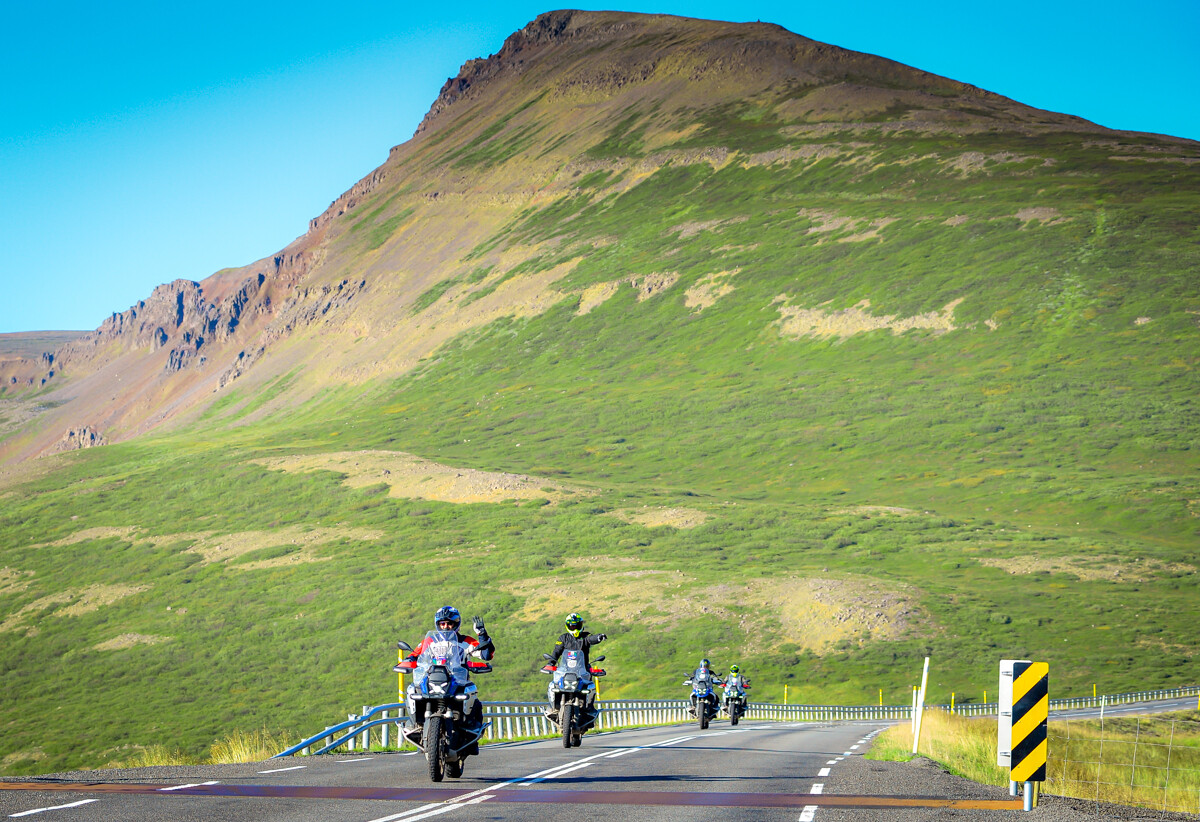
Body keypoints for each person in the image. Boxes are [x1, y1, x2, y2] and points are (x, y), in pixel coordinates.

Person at [403, 606, 494, 732]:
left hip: (458, 681)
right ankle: (415, 724)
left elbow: (486, 655)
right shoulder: (430, 641)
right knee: (413, 690)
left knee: (473, 695)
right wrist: (407, 662)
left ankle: (472, 728)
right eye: (442, 624)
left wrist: (482, 634)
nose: (445, 627)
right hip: (432, 680)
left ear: (456, 624)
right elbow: (414, 655)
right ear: (438, 624)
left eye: (449, 623)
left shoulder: (465, 641)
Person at [545, 613, 606, 718]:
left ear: (581, 625)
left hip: (582, 669)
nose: (575, 628)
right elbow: (557, 651)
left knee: (591, 686)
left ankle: (589, 708)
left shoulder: (585, 637)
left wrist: (599, 637)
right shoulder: (563, 638)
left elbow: (591, 639)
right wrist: (551, 663)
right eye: (572, 626)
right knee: (553, 684)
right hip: (565, 669)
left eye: (577, 625)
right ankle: (553, 707)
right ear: (567, 626)